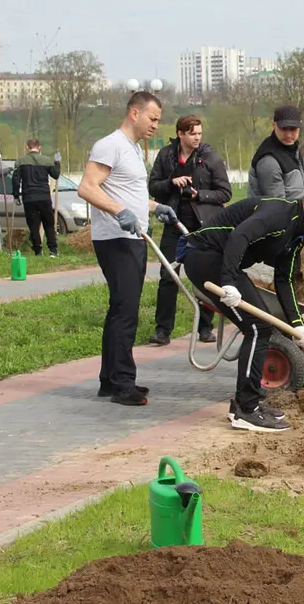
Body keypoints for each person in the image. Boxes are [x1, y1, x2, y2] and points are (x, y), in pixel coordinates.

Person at [181, 184, 304, 432]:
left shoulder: (297, 233)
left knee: (260, 328)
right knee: (258, 328)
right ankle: (246, 410)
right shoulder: (279, 214)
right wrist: (228, 281)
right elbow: (239, 236)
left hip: (222, 260)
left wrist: (298, 325)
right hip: (205, 256)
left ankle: (246, 403)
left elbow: (284, 279)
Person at [77, 92, 180, 405]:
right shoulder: (110, 145)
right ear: (135, 113)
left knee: (119, 309)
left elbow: (126, 192)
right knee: (126, 312)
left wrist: (155, 206)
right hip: (116, 239)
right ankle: (124, 384)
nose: (155, 125)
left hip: (132, 237)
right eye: (152, 118)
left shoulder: (133, 149)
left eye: (158, 120)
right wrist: (119, 212)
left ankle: (109, 381)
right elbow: (87, 187)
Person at [146, 115, 233, 345]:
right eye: (192, 134)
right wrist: (171, 183)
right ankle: (163, 330)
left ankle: (205, 327)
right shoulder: (166, 155)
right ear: (180, 134)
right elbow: (153, 186)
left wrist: (199, 194)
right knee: (168, 275)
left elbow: (225, 193)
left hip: (203, 226)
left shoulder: (211, 158)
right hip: (174, 224)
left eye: (199, 134)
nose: (197, 138)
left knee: (205, 277)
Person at [11, 139, 60, 257]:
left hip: (29, 197)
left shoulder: (20, 162)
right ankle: (53, 250)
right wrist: (57, 162)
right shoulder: (46, 160)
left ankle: (38, 251)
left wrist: (16, 195)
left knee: (33, 225)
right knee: (49, 223)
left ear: (27, 147)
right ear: (39, 147)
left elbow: (16, 180)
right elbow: (55, 174)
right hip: (44, 196)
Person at [249, 105, 304, 200]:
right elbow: (277, 205)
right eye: (284, 128)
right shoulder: (268, 161)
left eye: (293, 129)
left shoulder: (293, 149)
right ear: (274, 125)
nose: (288, 134)